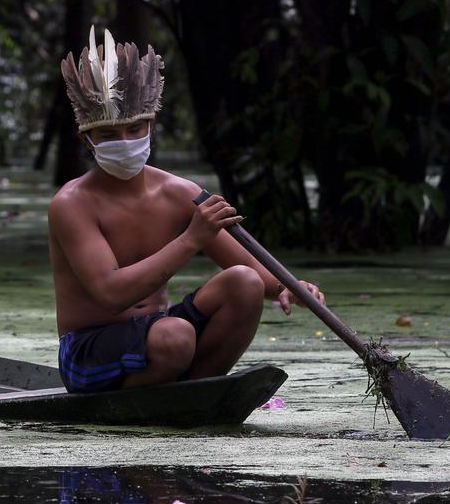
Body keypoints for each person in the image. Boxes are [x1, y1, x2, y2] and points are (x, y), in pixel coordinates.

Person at [49, 27, 325, 393]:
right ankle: (146, 399)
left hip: (159, 334)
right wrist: (192, 238)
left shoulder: (181, 192)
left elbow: (254, 270)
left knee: (244, 283)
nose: (126, 142)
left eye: (135, 129)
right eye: (109, 135)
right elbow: (111, 295)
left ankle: (193, 390)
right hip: (89, 351)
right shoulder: (72, 204)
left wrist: (291, 286)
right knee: (175, 336)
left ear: (151, 125)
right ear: (88, 138)